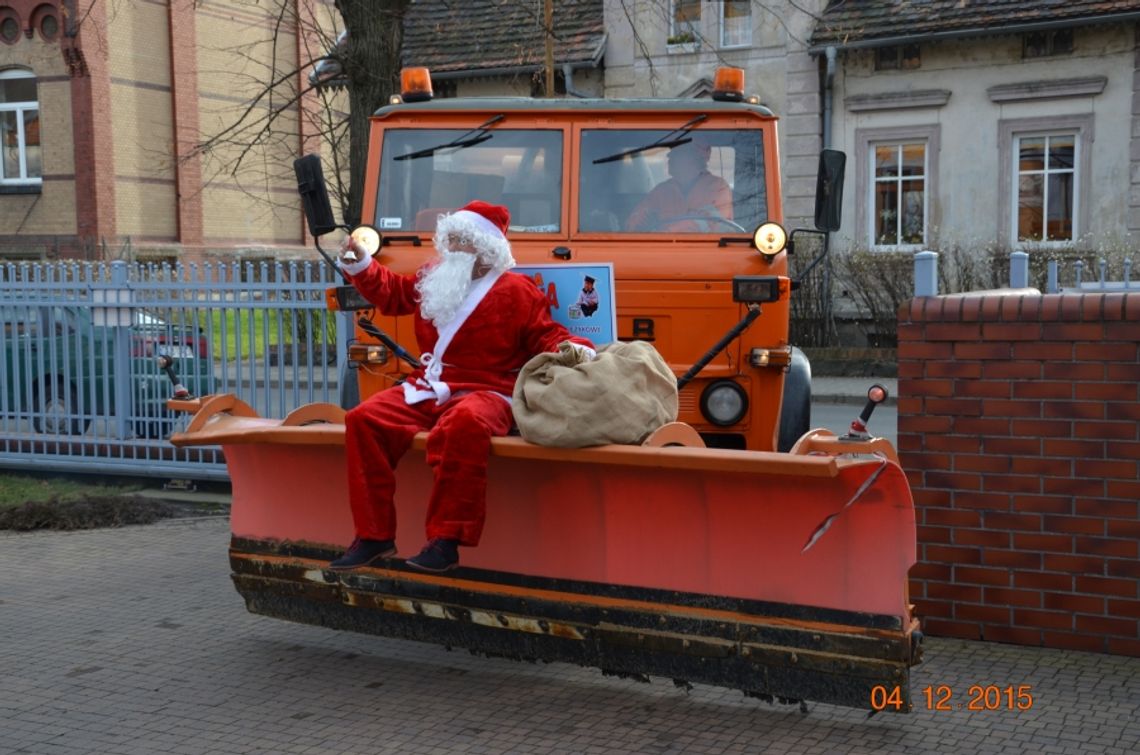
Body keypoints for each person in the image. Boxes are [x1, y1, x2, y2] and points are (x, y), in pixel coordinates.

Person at [331, 200, 596, 573]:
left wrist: (576, 350)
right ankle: (374, 536)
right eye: (449, 239)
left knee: (464, 425)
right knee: (364, 419)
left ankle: (445, 540)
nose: (450, 249)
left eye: (460, 240)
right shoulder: (434, 275)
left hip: (488, 389)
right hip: (429, 385)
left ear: (486, 248)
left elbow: (546, 334)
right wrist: (361, 263)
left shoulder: (517, 292)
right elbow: (393, 294)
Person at [625, 140, 733, 232]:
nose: (669, 160)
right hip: (662, 250)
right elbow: (632, 224)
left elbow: (715, 223)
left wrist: (668, 232)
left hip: (705, 251)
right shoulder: (662, 190)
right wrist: (640, 219)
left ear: (693, 159)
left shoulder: (717, 187)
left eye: (676, 155)